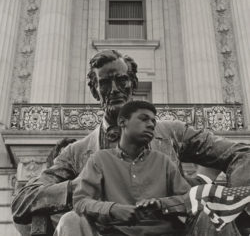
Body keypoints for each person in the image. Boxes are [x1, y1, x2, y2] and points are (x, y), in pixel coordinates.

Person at [12, 50, 250, 235]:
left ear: (133, 85)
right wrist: (79, 186)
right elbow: (24, 199)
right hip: (105, 229)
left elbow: (241, 153)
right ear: (95, 91)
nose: (114, 89)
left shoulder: (173, 133)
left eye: (121, 80)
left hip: (172, 228)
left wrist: (239, 200)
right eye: (104, 83)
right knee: (72, 221)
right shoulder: (78, 152)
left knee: (208, 213)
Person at [70, 100, 191, 236]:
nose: (151, 125)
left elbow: (189, 199)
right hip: (115, 232)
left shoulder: (163, 161)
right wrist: (112, 209)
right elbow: (80, 201)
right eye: (144, 119)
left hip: (163, 232)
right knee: (70, 219)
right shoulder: (100, 159)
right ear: (122, 122)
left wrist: (161, 204)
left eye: (153, 122)